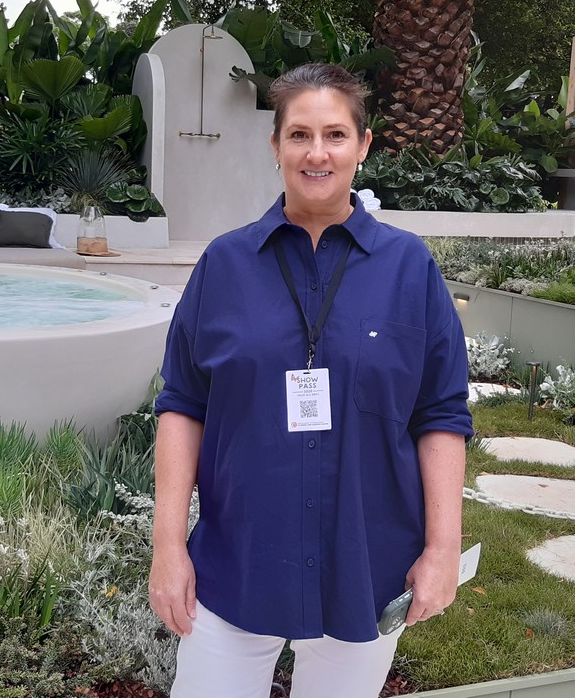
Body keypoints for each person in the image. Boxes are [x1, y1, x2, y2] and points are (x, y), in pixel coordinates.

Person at [150, 62, 474, 698]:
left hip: (367, 563)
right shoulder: (224, 264)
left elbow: (440, 414)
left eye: (335, 134)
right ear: (275, 147)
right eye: (299, 135)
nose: (316, 153)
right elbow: (182, 406)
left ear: (363, 145)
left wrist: (443, 550)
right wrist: (167, 547)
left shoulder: (410, 269)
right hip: (236, 560)